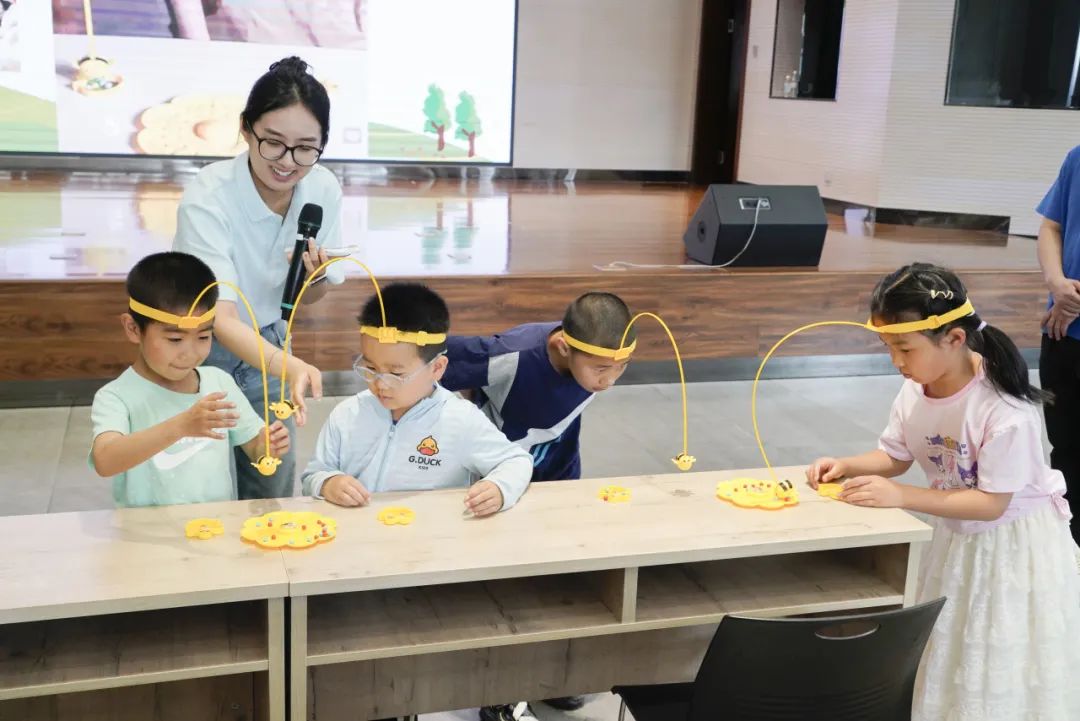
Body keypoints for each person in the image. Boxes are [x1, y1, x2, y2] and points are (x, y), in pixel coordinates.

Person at [807, 263, 1080, 721]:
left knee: (996, 649)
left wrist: (902, 496)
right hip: (957, 535)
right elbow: (895, 454)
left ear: (954, 338)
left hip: (1010, 549)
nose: (896, 361)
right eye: (888, 347)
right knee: (951, 642)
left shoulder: (1004, 409)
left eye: (904, 348)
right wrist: (848, 464)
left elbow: (991, 504)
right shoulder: (917, 387)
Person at [439, 291, 635, 719]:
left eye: (620, 368)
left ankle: (551, 678)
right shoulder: (510, 355)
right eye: (602, 369)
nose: (610, 381)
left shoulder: (591, 355)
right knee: (503, 592)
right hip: (497, 489)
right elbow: (428, 363)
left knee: (557, 582)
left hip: (556, 477)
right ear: (563, 347)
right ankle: (499, 693)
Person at [174, 55, 344, 500]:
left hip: (270, 345)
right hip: (199, 352)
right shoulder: (209, 196)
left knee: (270, 486)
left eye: (305, 148)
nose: (288, 162)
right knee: (196, 489)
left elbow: (309, 298)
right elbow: (221, 318)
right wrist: (292, 366)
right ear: (246, 129)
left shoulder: (323, 188)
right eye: (273, 143)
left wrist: (313, 279)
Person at [300, 283, 532, 521]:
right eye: (371, 368)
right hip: (360, 532)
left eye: (396, 374)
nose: (381, 384)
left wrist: (499, 488)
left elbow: (516, 461)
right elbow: (313, 475)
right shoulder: (348, 414)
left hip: (429, 534)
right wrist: (328, 483)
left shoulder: (460, 419)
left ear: (437, 368)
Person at [90, 252, 289, 507]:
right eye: (175, 339)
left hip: (214, 525)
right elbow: (105, 461)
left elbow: (253, 446)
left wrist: (267, 445)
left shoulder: (218, 383)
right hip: (145, 529)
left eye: (204, 337)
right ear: (133, 328)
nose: (190, 353)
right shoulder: (116, 396)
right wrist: (182, 425)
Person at [1036, 143, 1080, 543]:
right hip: (1062, 334)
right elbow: (1052, 226)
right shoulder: (1077, 157)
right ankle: (1065, 545)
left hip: (1068, 317)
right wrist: (1056, 284)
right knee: (1064, 446)